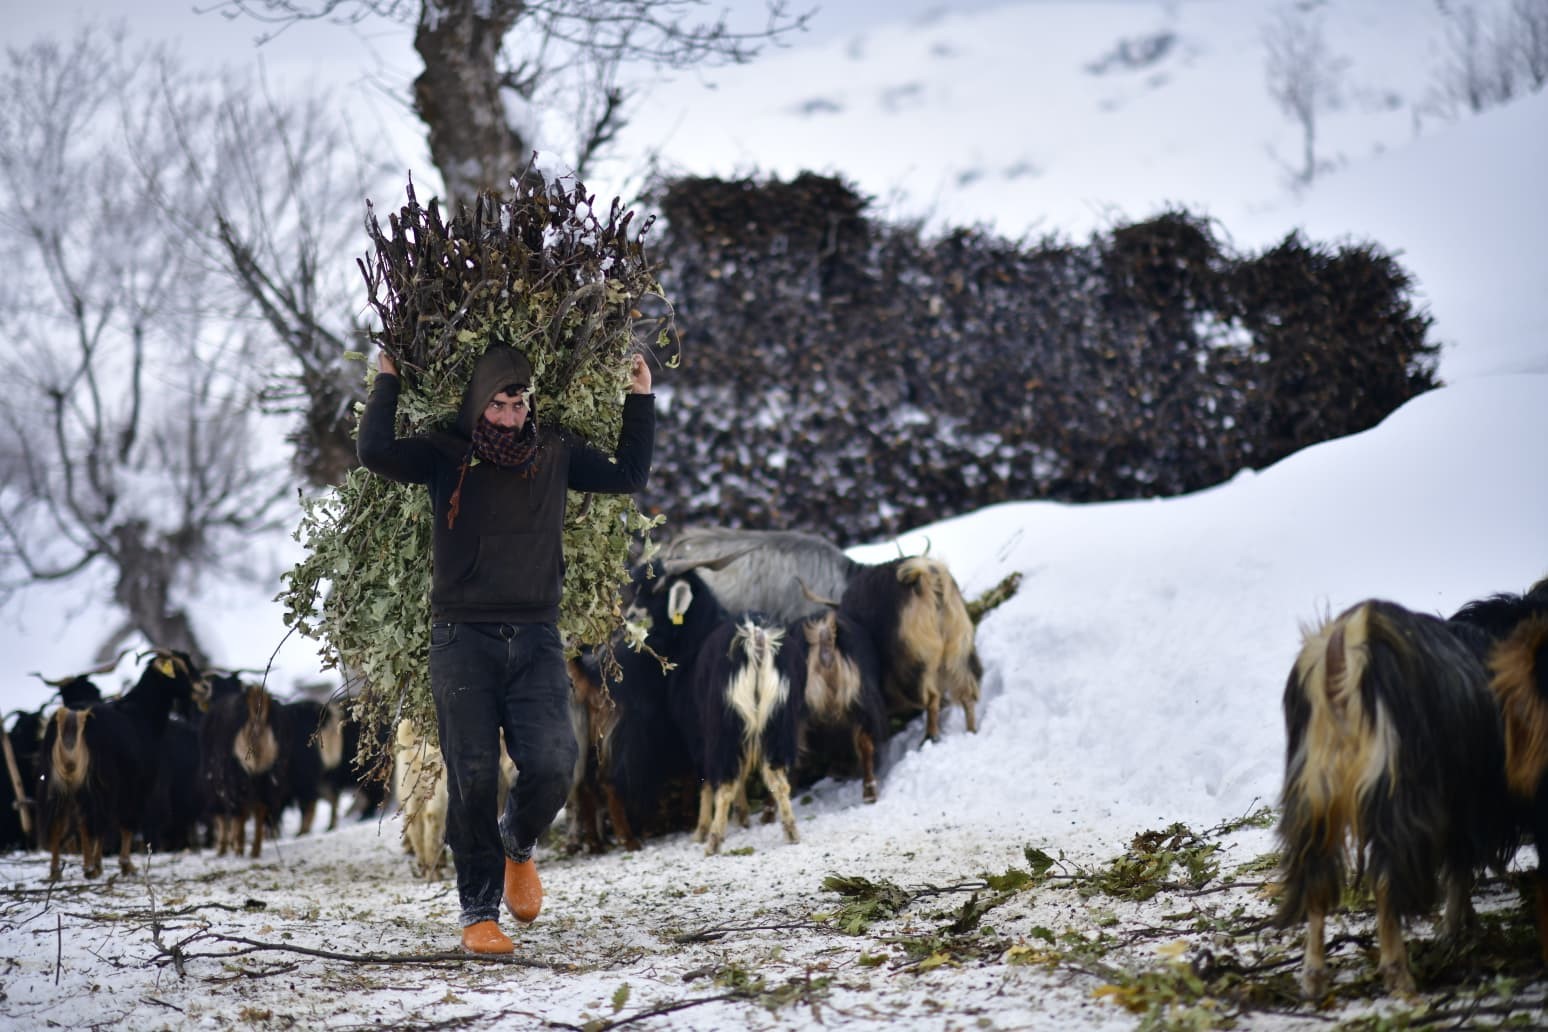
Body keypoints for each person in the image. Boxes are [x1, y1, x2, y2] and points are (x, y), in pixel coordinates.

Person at [358, 343, 654, 955]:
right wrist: (387, 381)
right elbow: (376, 452)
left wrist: (640, 396)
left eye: (520, 403)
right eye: (499, 402)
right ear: (476, 404)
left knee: (553, 761)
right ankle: (478, 914)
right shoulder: (445, 454)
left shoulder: (555, 454)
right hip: (461, 638)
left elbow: (628, 475)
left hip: (537, 636)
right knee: (472, 776)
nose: (512, 414)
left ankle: (518, 843)